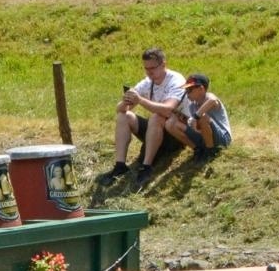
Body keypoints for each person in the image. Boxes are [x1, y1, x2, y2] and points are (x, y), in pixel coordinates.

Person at [98, 47, 186, 191]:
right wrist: (126, 100)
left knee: (157, 116)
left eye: (152, 68)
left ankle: (146, 167)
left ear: (163, 65)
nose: (149, 72)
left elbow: (168, 110)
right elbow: (121, 109)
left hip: (176, 134)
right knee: (123, 117)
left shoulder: (176, 80)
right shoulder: (147, 81)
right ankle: (120, 165)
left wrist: (140, 100)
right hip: (157, 130)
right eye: (146, 68)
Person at [165, 73, 233, 160]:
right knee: (171, 124)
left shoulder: (208, 97)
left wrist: (195, 117)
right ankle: (198, 149)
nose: (187, 93)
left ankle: (210, 151)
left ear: (201, 89)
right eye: (186, 90)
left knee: (202, 116)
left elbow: (212, 100)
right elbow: (196, 126)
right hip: (205, 137)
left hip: (222, 138)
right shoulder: (192, 106)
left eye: (189, 90)